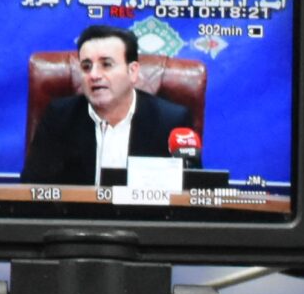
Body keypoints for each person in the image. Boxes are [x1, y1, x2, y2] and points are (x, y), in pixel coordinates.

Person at [20, 24, 196, 185]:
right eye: (86, 67)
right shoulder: (59, 118)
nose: (94, 75)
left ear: (132, 71)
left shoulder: (171, 122)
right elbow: (33, 188)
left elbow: (190, 193)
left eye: (106, 64)